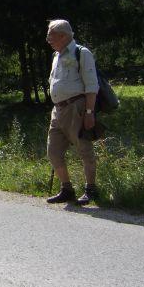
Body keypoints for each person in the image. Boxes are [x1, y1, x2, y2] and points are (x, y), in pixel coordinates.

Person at [45, 19, 99, 205]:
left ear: (63, 36)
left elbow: (91, 86)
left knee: (84, 149)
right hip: (58, 110)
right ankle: (67, 189)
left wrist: (89, 112)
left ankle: (91, 189)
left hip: (77, 107)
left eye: (50, 36)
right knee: (53, 151)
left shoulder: (81, 53)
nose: (48, 40)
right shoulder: (56, 56)